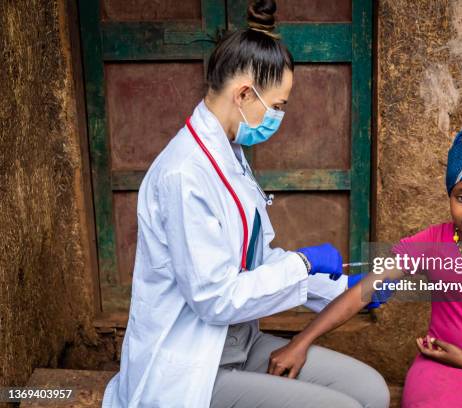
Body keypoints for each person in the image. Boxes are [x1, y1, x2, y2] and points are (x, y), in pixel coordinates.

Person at [101, 1, 390, 407]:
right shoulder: (184, 174)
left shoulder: (229, 155)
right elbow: (214, 298)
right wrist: (302, 265)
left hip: (237, 342)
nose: (279, 117)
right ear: (243, 94)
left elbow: (254, 265)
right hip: (194, 365)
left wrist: (339, 288)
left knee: (370, 391)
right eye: (277, 106)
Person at [268, 119, 462, 407]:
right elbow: (361, 293)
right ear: (450, 195)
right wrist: (301, 342)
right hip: (440, 368)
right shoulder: (432, 243)